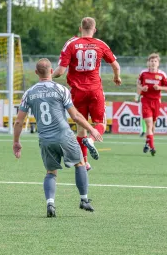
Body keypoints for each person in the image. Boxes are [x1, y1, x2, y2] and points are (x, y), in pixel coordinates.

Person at [13, 58, 102, 217]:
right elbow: (75, 116)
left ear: (36, 72)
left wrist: (16, 142)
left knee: (51, 173)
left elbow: (19, 121)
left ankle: (50, 203)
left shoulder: (29, 93)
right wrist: (92, 130)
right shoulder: (61, 89)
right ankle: (84, 200)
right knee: (80, 163)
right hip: (64, 135)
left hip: (46, 139)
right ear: (52, 71)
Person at [52, 17, 121, 171]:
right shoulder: (100, 44)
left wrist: (49, 76)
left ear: (80, 28)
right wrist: (117, 77)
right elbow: (116, 66)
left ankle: (84, 162)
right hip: (95, 90)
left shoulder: (71, 43)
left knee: (81, 128)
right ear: (94, 30)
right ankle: (91, 140)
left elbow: (61, 71)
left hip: (77, 92)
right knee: (101, 123)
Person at [136, 53, 167, 155]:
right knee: (148, 124)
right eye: (151, 61)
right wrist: (142, 88)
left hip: (156, 102)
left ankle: (147, 143)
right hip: (146, 100)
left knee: (152, 127)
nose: (153, 63)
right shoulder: (143, 73)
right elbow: (138, 84)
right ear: (148, 63)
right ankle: (152, 147)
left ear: (158, 63)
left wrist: (160, 88)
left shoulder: (162, 75)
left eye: (155, 61)